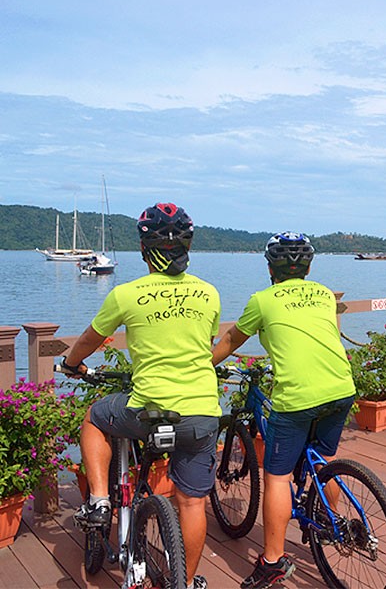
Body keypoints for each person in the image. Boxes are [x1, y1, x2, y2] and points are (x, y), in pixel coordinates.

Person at [62, 203, 221, 589]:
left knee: (95, 417)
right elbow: (206, 342)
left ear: (142, 247)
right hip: (202, 411)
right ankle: (184, 580)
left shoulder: (127, 294)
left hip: (148, 409)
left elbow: (90, 339)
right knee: (192, 503)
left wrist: (72, 363)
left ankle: (100, 500)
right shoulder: (209, 294)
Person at [211, 231, 356, 589]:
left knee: (276, 476)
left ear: (270, 266)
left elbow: (230, 341)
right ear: (308, 266)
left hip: (299, 398)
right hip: (341, 387)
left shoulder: (262, 300)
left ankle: (272, 562)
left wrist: (200, 365)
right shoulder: (323, 294)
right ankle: (330, 522)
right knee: (321, 458)